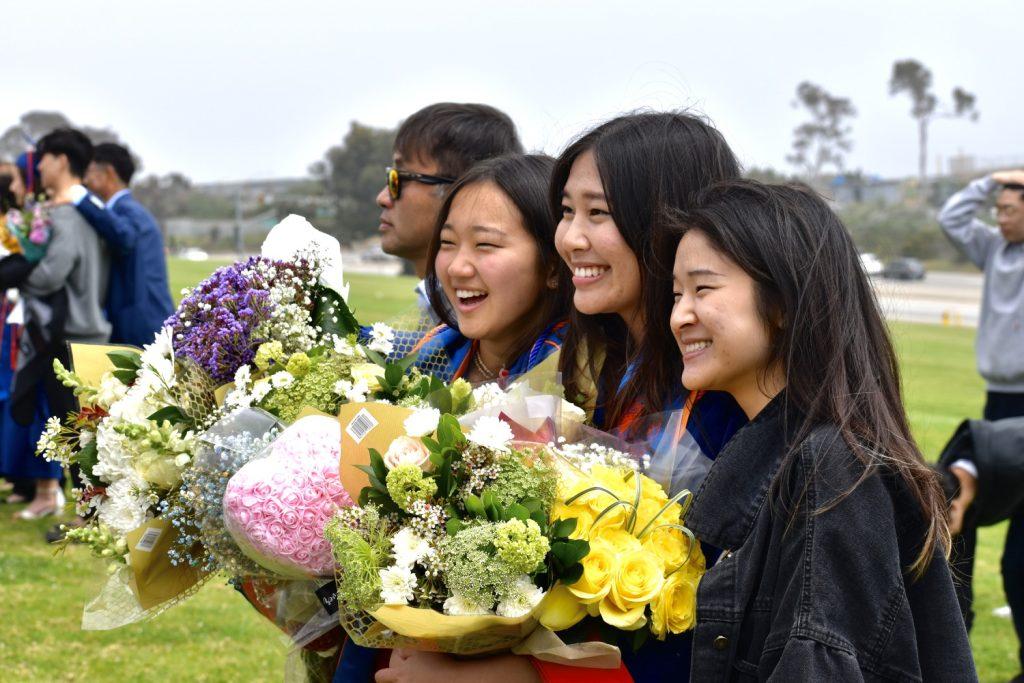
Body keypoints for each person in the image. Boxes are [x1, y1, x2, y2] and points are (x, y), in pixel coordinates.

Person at [671, 180, 974, 680]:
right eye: (676, 293)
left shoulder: (834, 468)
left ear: (785, 303)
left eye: (703, 288)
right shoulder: (788, 454)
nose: (679, 315)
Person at [338, 153, 571, 682]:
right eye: (447, 243)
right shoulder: (422, 362)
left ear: (554, 266)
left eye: (485, 245)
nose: (457, 266)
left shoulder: (580, 386)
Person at [539, 112, 748, 682]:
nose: (570, 237)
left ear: (669, 225)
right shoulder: (613, 370)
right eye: (565, 211)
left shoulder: (730, 400)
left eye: (597, 213)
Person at [937, 169, 1024, 675]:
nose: (1001, 217)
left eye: (1010, 208)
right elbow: (952, 217)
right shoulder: (995, 251)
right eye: (998, 209)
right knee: (959, 523)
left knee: (1019, 559)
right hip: (998, 406)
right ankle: (953, 647)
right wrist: (992, 181)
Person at [10, 128, 110, 520]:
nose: (40, 167)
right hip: (82, 336)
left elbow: (51, 275)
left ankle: (89, 514)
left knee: (78, 432)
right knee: (82, 431)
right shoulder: (81, 212)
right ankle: (88, 512)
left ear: (62, 161)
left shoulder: (67, 217)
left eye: (45, 159)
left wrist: (16, 274)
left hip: (72, 340)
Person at [376, 102, 523, 323]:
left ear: (463, 191)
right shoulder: (439, 307)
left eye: (399, 179)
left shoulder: (479, 328)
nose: (383, 198)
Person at [79, 142, 174, 346]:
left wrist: (81, 199)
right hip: (144, 320)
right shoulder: (127, 210)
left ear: (109, 173)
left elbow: (124, 236)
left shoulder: (128, 212)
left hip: (140, 325)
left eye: (90, 171)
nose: (85, 179)